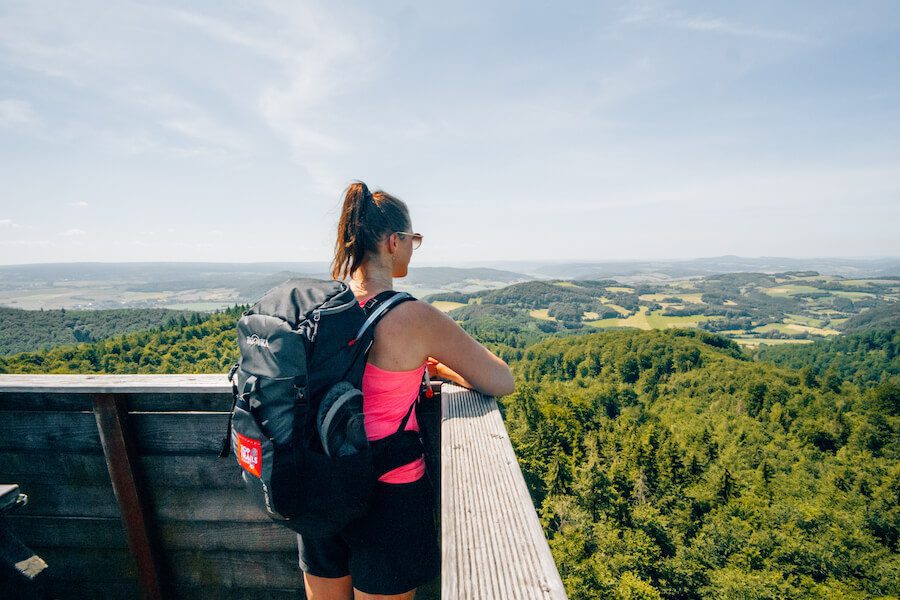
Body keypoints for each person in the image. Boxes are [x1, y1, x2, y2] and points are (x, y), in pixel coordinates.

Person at [298, 181, 515, 600]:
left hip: (320, 486)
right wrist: (445, 372)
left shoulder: (316, 309)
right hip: (388, 492)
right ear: (394, 242)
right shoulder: (412, 317)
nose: (413, 248)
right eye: (414, 240)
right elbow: (500, 380)